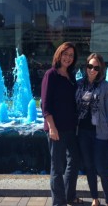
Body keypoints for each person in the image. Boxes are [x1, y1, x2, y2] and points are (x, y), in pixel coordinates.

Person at [41, 42, 83, 206]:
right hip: (55, 129)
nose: (68, 58)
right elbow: (45, 104)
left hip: (70, 128)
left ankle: (69, 196)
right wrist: (52, 127)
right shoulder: (50, 75)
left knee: (75, 160)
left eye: (71, 55)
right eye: (65, 54)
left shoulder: (71, 76)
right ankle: (59, 203)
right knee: (57, 167)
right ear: (59, 54)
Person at [76, 53, 108, 206]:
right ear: (86, 67)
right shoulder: (79, 84)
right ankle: (95, 198)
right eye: (90, 66)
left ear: (100, 70)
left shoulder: (105, 86)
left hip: (101, 133)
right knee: (89, 167)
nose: (92, 70)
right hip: (83, 133)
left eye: (96, 67)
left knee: (102, 169)